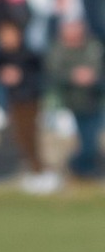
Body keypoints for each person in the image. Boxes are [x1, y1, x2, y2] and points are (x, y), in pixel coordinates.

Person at [0, 20, 53, 194]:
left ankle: (41, 173)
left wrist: (19, 76)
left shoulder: (28, 54)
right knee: (20, 137)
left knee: (29, 135)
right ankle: (35, 172)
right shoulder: (2, 56)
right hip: (14, 100)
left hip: (29, 100)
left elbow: (37, 76)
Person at [44, 16, 102, 182]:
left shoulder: (93, 46)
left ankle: (81, 170)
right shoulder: (57, 49)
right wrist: (72, 76)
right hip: (66, 102)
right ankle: (77, 169)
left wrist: (92, 76)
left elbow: (97, 68)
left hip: (92, 100)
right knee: (80, 141)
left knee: (90, 141)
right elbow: (52, 73)